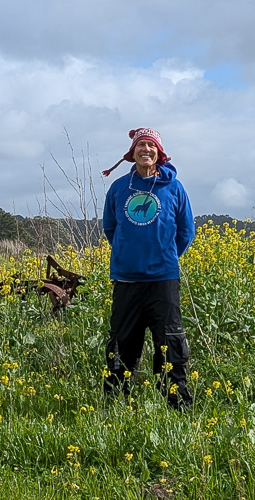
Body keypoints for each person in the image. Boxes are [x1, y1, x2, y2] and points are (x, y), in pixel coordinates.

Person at [101, 128, 195, 410]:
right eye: (140, 145)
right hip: (126, 279)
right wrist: (127, 253)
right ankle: (116, 404)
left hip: (163, 279)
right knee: (122, 343)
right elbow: (110, 227)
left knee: (170, 342)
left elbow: (186, 230)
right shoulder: (119, 187)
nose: (146, 150)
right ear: (133, 153)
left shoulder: (174, 188)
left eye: (151, 145)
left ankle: (176, 405)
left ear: (159, 152)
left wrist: (164, 255)